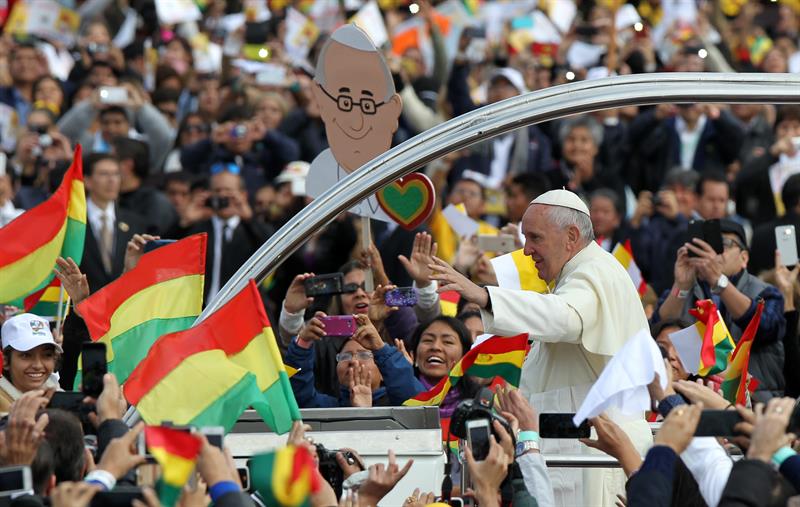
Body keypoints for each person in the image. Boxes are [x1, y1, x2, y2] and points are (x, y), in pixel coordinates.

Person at [429, 189, 652, 506]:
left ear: (571, 236)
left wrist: (484, 296)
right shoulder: (578, 272)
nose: (527, 250)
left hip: (594, 459)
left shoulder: (595, 271)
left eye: (535, 238)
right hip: (579, 452)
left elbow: (565, 318)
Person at [655, 218, 786, 401]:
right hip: (690, 396)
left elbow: (765, 326)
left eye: (723, 244)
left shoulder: (766, 292)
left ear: (744, 258)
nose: (713, 253)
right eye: (706, 246)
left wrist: (719, 281)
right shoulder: (681, 291)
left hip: (756, 401)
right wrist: (681, 285)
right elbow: (658, 329)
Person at [307, 24, 402, 222]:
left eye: (368, 105)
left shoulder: (400, 166)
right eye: (345, 103)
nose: (357, 123)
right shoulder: (316, 182)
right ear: (322, 100)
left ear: (393, 109)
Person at [175, 169, 272, 304]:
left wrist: (250, 219)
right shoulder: (198, 229)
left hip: (242, 308)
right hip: (201, 310)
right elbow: (170, 255)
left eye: (228, 191)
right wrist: (185, 222)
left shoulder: (251, 229)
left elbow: (273, 248)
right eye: (217, 191)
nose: (222, 196)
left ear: (243, 195)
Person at [287, 314, 422, 408]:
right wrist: (303, 343)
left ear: (382, 372)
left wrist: (380, 348)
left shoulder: (398, 405)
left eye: (364, 355)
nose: (353, 361)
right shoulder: (328, 408)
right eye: (345, 356)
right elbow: (298, 395)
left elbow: (416, 402)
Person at [79, 153, 148, 293]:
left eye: (116, 174)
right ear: (87, 181)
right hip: (81, 308)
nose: (112, 180)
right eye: (104, 174)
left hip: (122, 308)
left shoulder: (135, 223)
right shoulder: (73, 222)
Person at [0, 314, 62, 415]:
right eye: (26, 355)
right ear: (6, 361)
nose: (38, 365)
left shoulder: (58, 394)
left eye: (47, 355)